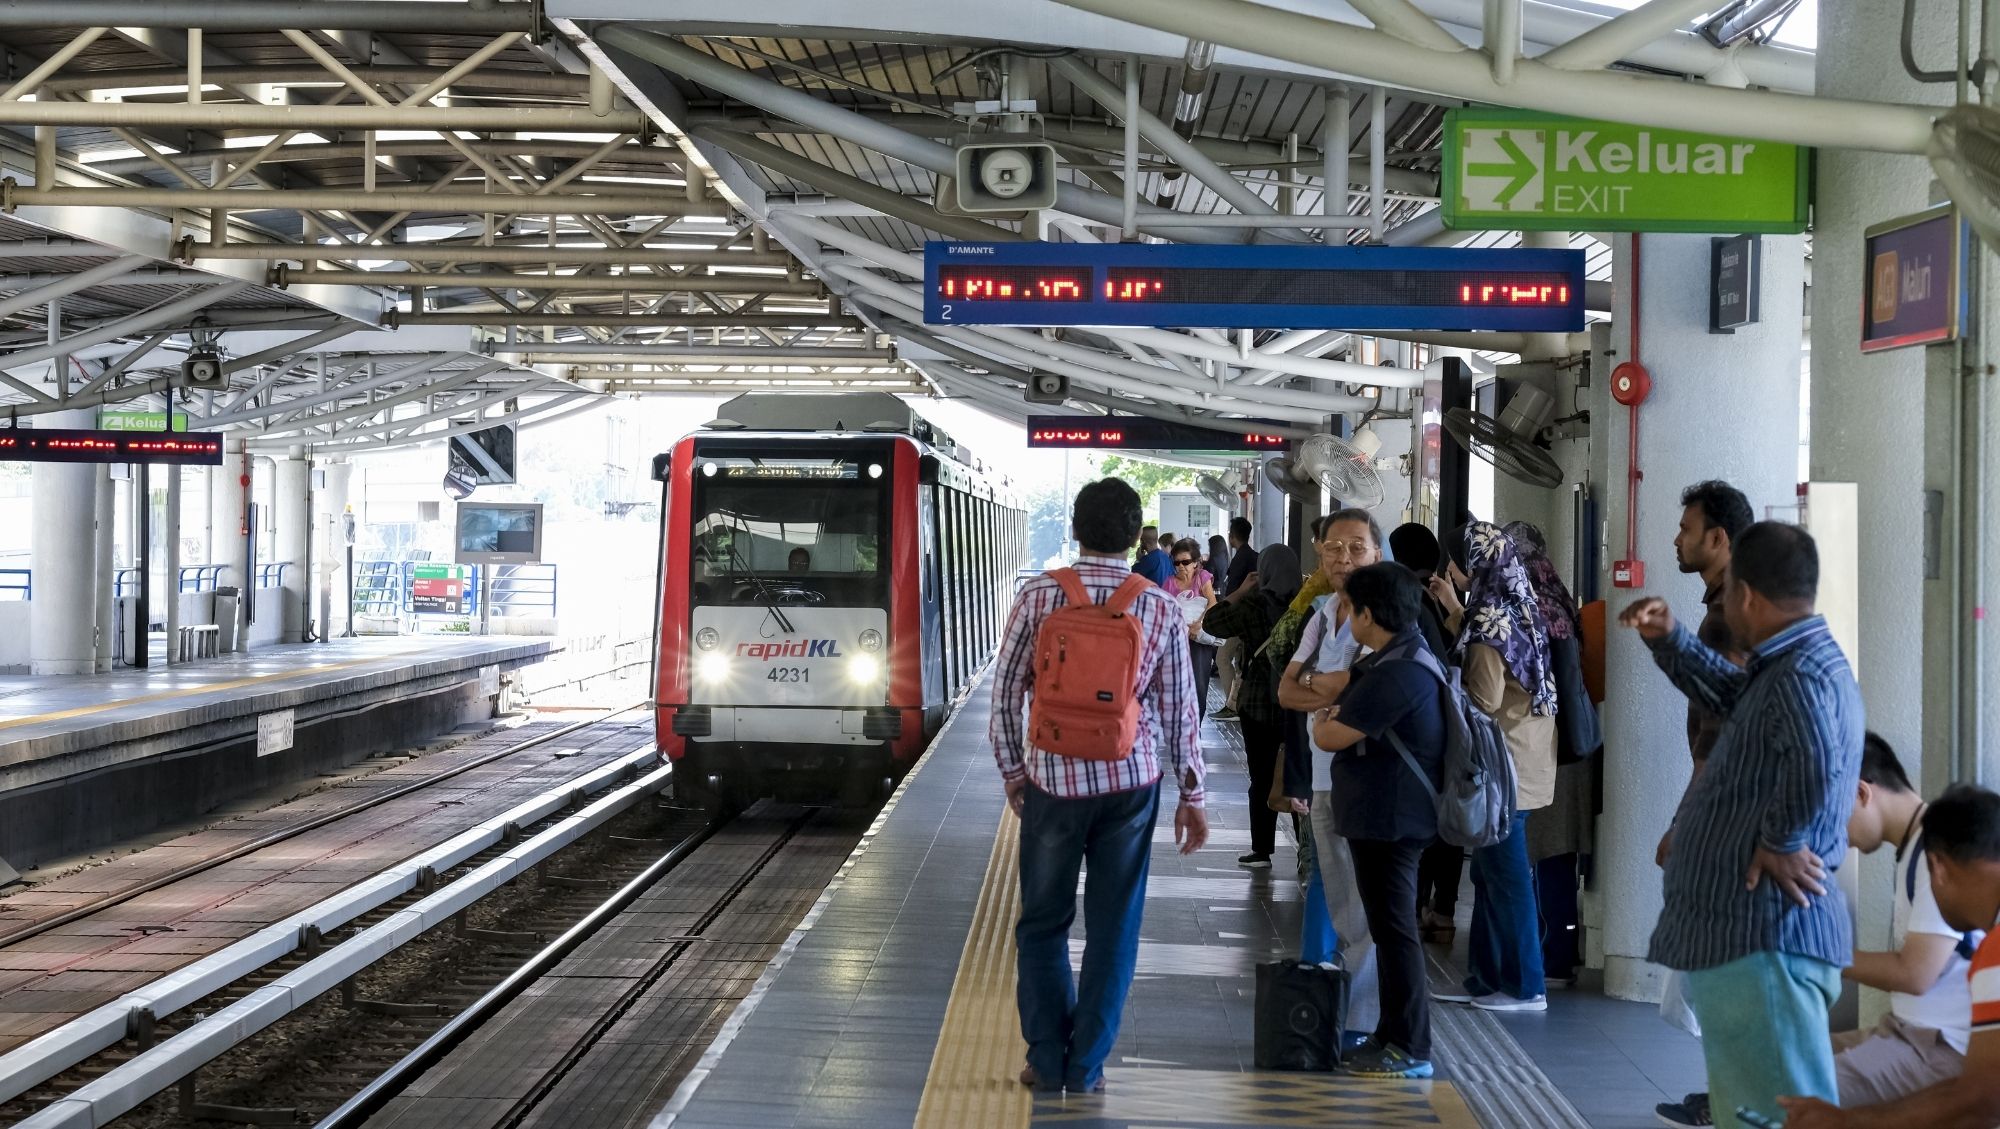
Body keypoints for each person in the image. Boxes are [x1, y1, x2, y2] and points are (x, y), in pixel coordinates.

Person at [1619, 521, 1864, 1129]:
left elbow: (1817, 758)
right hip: (1752, 940)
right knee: (1753, 1110)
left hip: (1766, 939)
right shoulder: (1787, 667)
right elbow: (1734, 696)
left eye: (1726, 594)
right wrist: (1672, 639)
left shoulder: (1801, 674)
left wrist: (1781, 841)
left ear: (1747, 597)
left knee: (1776, 1114)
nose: (1723, 605)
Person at [991, 478, 1209, 1095]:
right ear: (1134, 533)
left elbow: (1006, 694)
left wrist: (1015, 774)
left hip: (1052, 782)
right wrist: (1192, 797)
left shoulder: (1038, 596)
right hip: (1130, 786)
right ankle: (1087, 1067)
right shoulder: (1160, 605)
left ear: (1077, 528)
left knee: (1042, 922)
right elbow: (1178, 711)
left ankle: (1046, 1059)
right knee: (1114, 927)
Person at [1659, 735, 1982, 1128]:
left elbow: (1914, 975)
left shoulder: (1936, 854)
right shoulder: (1916, 849)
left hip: (1939, 1047)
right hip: (1908, 1033)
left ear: (1862, 792)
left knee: (1783, 1091)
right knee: (1765, 1063)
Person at [1778, 784, 2000, 1129]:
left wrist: (1848, 1121)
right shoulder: (1991, 947)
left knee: (1786, 1100)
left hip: (1939, 1049)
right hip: (1926, 1044)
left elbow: (1981, 1102)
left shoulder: (1994, 954)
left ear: (1937, 868)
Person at [1309, 561, 1446, 1080]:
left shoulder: (1398, 672)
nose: (1348, 618)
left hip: (1392, 820)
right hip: (1388, 816)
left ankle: (1411, 1046)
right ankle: (1392, 1036)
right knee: (1391, 932)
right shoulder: (1403, 657)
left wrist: (1327, 719)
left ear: (1368, 614)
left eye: (1351, 609)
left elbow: (1328, 734)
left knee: (1395, 932)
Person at [1429, 522, 1558, 1013]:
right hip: (1527, 757)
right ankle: (1485, 977)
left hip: (1503, 769)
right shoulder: (1518, 603)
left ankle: (1526, 986)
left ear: (1474, 564)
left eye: (1456, 562)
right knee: (1488, 874)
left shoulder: (1486, 621)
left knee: (1504, 878)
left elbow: (1482, 699)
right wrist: (1455, 611)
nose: (1451, 570)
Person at [1276, 509, 1387, 1033]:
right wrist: (1329, 687)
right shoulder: (1322, 612)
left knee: (1363, 901)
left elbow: (1366, 693)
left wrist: (1324, 686)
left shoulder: (1387, 617)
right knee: (1336, 890)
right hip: (1324, 775)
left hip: (1367, 780)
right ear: (1319, 554)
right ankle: (1329, 1001)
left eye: (1357, 547)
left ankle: (1361, 1021)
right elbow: (1286, 689)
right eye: (1334, 548)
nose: (1344, 558)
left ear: (1377, 554)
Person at [1504, 520, 1601, 985]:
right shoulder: (1559, 597)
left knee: (1546, 852)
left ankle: (1553, 957)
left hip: (1543, 744)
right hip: (1568, 744)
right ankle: (1555, 951)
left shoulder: (1528, 608)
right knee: (1552, 853)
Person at [1661, 480, 1755, 867]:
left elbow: (1716, 739)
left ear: (1717, 538)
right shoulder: (1750, 601)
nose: (1676, 539)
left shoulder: (1726, 617)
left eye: (1686, 529)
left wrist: (1683, 824)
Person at [1389, 521, 1466, 941]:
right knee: (1448, 823)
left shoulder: (1408, 600)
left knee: (1422, 821)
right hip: (1455, 725)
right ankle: (1445, 909)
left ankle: (1417, 906)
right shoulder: (1440, 597)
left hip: (1426, 727)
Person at [1202, 543, 1299, 870]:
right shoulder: (1309, 606)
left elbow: (1212, 623)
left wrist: (1241, 590)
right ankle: (1305, 850)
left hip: (1258, 702)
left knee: (1261, 774)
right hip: (1299, 702)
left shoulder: (1254, 604)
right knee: (1296, 773)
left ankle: (1262, 850)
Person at [1164, 538, 1221, 720]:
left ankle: (1195, 727)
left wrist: (1200, 623)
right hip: (1176, 642)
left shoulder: (1202, 578)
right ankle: (1180, 725)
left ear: (1196, 563)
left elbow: (1212, 603)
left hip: (1198, 640)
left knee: (1199, 685)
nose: (1181, 566)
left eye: (1186, 562)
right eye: (1177, 562)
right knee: (1177, 685)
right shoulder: (1169, 583)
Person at [1215, 517, 1259, 720]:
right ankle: (1237, 704)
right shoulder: (1255, 556)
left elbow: (1233, 591)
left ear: (1232, 536)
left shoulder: (1240, 559)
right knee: (1241, 663)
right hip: (1251, 619)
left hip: (1237, 619)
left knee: (1222, 658)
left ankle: (1233, 706)